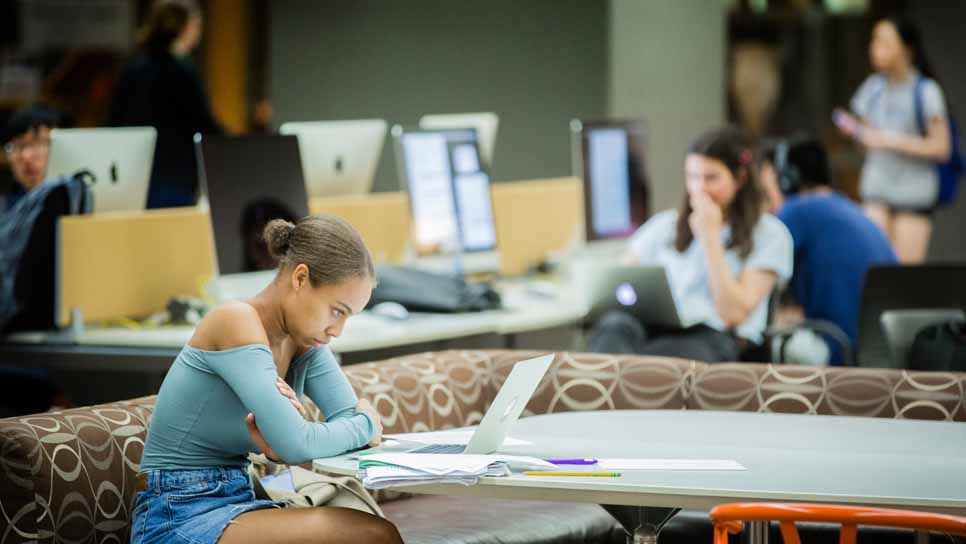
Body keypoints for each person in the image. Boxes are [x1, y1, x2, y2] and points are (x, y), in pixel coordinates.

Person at [132, 215, 402, 544]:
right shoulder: (235, 321)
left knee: (371, 529)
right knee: (373, 535)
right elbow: (300, 443)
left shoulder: (304, 339)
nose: (337, 331)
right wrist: (368, 423)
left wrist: (343, 429)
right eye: (337, 310)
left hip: (242, 497)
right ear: (301, 278)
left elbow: (336, 428)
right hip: (179, 511)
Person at [588, 126, 793, 362]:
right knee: (613, 327)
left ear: (740, 178)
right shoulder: (665, 225)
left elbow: (733, 314)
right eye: (693, 176)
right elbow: (619, 277)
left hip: (715, 335)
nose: (699, 188)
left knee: (647, 365)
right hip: (657, 324)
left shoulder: (770, 233)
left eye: (711, 178)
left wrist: (710, 239)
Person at [759, 137, 897, 364]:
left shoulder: (796, 211)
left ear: (786, 179)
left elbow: (752, 270)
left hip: (837, 347)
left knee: (758, 347)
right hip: (881, 352)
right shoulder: (850, 209)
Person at [834, 16, 951, 263]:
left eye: (885, 42)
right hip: (877, 189)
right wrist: (857, 132)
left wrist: (890, 140)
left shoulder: (926, 91)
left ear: (907, 48)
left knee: (904, 275)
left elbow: (942, 147)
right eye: (874, 40)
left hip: (913, 195)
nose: (875, 48)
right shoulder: (872, 89)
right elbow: (865, 142)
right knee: (872, 265)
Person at [109, 0, 222, 209]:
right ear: (186, 28)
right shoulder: (182, 70)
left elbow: (114, 120)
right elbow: (202, 121)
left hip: (135, 170)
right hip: (175, 173)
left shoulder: (133, 68)